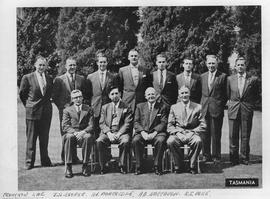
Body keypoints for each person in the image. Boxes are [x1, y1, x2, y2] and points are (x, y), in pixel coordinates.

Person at [19, 56, 54, 170]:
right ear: (35, 65)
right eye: (39, 65)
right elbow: (22, 94)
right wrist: (29, 105)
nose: (41, 67)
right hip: (32, 112)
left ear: (46, 66)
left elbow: (48, 95)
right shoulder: (27, 77)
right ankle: (29, 162)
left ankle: (45, 160)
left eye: (43, 65)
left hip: (46, 113)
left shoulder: (49, 78)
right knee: (31, 139)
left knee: (44, 138)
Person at [52, 57, 86, 163]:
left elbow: (84, 94)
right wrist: (62, 107)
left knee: (76, 131)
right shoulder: (59, 79)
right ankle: (66, 158)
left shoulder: (81, 79)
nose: (72, 67)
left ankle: (74, 157)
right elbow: (55, 96)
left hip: (77, 111)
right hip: (65, 111)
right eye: (70, 65)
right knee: (66, 133)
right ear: (66, 66)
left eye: (74, 65)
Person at [227, 57, 259, 165]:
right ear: (235, 67)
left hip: (246, 110)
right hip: (233, 109)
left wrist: (250, 105)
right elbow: (228, 95)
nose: (240, 67)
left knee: (245, 135)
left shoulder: (253, 79)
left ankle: (245, 158)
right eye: (238, 65)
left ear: (245, 66)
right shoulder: (230, 79)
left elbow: (256, 95)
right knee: (233, 135)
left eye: (242, 65)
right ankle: (233, 158)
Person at [167, 86, 206, 174]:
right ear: (179, 95)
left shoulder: (198, 107)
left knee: (198, 141)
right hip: (179, 133)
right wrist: (178, 133)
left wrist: (192, 132)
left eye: (186, 93)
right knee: (170, 141)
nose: (184, 95)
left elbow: (203, 124)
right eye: (182, 93)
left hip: (192, 133)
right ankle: (178, 165)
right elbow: (170, 125)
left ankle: (192, 166)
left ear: (189, 94)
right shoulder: (174, 107)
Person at [97, 86, 133, 174]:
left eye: (116, 93)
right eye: (112, 94)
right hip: (109, 132)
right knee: (99, 141)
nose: (115, 96)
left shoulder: (126, 106)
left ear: (120, 94)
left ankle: (122, 165)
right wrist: (109, 133)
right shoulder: (105, 107)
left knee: (125, 141)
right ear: (109, 96)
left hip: (122, 132)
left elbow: (128, 123)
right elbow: (102, 123)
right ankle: (104, 165)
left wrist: (119, 133)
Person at [132, 87, 169, 175]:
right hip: (143, 132)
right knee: (136, 140)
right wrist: (142, 132)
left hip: (157, 133)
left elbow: (164, 122)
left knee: (160, 141)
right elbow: (136, 122)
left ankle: (157, 166)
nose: (151, 96)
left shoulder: (163, 106)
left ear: (156, 95)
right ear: (145, 96)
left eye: (153, 94)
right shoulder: (139, 106)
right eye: (148, 94)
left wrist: (155, 132)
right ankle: (139, 166)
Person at [62, 90, 95, 178]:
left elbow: (91, 125)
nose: (78, 99)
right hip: (73, 134)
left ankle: (85, 165)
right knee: (68, 136)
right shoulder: (67, 110)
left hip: (84, 133)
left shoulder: (88, 109)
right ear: (72, 99)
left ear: (82, 97)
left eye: (80, 97)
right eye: (75, 97)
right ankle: (69, 166)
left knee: (88, 137)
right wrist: (75, 133)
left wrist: (83, 132)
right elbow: (65, 126)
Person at [200, 55, 227, 162]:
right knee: (204, 134)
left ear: (217, 64)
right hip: (204, 109)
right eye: (209, 63)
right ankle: (206, 155)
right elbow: (199, 94)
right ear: (206, 64)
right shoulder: (202, 76)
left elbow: (226, 94)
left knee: (216, 134)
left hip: (217, 110)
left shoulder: (223, 76)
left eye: (213, 63)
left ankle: (216, 156)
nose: (211, 65)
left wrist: (220, 105)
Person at [85, 54, 115, 136]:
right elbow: (87, 95)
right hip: (95, 108)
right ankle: (94, 149)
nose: (102, 64)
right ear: (97, 63)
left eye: (104, 62)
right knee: (94, 132)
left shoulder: (112, 77)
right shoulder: (90, 77)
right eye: (100, 62)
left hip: (108, 108)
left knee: (107, 132)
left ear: (107, 63)